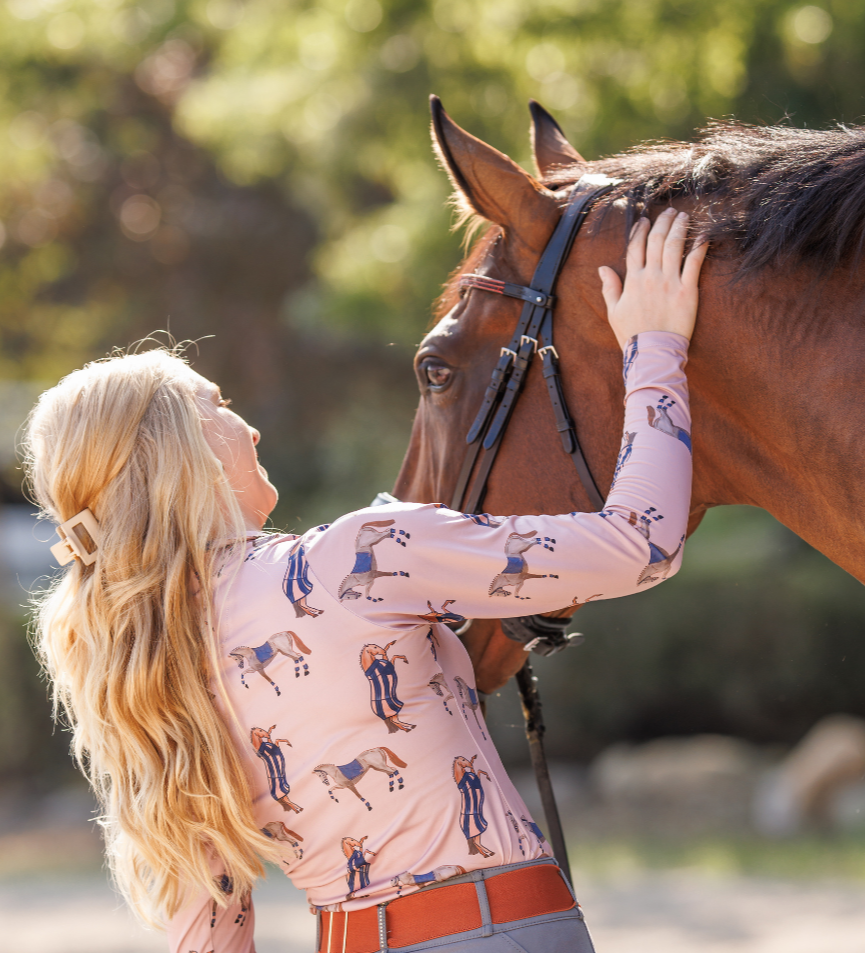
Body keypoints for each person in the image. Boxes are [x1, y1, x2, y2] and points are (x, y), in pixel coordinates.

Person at [24, 208, 706, 953]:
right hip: (495, 930)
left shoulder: (147, 663)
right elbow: (640, 543)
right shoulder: (356, 555)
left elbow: (211, 928)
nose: (247, 427)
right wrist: (654, 345)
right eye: (216, 405)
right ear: (178, 453)